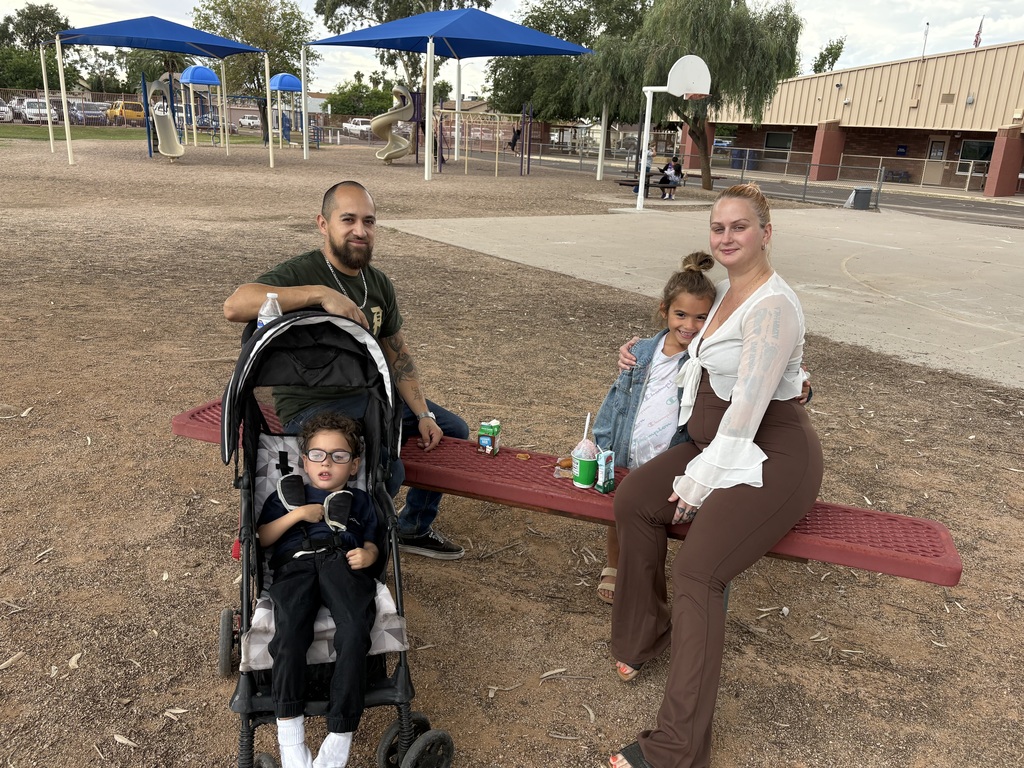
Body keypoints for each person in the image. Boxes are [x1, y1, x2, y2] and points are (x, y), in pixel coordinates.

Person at [608, 183, 824, 768]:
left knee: (700, 571)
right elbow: (694, 351)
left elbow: (751, 403)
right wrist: (642, 348)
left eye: (740, 227)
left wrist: (698, 483)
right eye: (718, 227)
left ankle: (677, 749)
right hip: (711, 442)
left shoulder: (772, 304)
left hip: (770, 455)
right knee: (633, 501)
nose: (726, 237)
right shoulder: (727, 293)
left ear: (766, 234)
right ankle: (647, 634)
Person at [224, 181, 468, 560]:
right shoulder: (302, 271)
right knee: (386, 465)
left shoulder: (379, 283)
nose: (360, 230)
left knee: (452, 430)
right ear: (323, 224)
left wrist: (421, 413)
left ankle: (412, 526)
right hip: (313, 405)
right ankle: (349, 543)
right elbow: (236, 305)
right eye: (348, 219)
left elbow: (398, 353)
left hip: (372, 393)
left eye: (368, 221)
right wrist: (320, 295)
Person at [592, 252, 717, 605]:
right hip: (629, 445)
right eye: (681, 314)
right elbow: (616, 400)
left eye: (700, 317)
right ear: (664, 310)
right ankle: (615, 566)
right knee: (619, 509)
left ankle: (647, 573)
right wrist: (603, 443)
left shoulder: (705, 358)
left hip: (668, 453)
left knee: (652, 518)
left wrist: (801, 386)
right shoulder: (641, 352)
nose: (689, 326)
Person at [258, 412, 380, 768]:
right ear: (303, 462)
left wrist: (368, 554)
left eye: (339, 456)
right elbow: (261, 537)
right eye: (318, 455)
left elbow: (374, 545)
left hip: (341, 562)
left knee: (355, 629)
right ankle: (291, 740)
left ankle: (339, 737)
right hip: (295, 565)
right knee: (291, 630)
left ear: (354, 465)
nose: (327, 463)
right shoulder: (285, 496)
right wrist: (298, 515)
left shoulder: (361, 502)